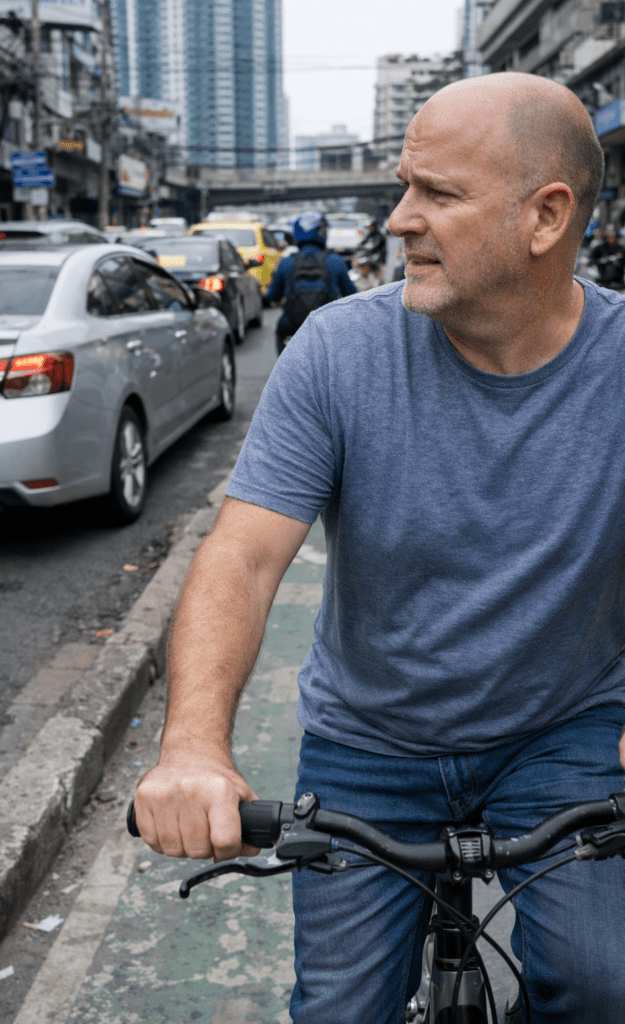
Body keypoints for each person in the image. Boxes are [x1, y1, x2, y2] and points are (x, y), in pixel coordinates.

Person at [135, 71, 625, 1024]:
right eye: (403, 187)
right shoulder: (334, 351)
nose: (398, 220)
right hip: (369, 740)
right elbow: (241, 555)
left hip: (560, 734)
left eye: (436, 194)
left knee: (607, 989)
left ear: (544, 216)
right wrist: (192, 747)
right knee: (341, 1012)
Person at [267, 210, 356, 354]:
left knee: (281, 333)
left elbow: (273, 296)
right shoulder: (335, 260)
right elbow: (351, 294)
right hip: (329, 328)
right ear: (323, 232)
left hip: (292, 327)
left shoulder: (286, 262)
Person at [589, 222, 625, 288]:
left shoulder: (620, 248)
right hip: (603, 279)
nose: (611, 239)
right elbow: (592, 259)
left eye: (613, 237)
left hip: (618, 281)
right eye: (609, 237)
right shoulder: (599, 248)